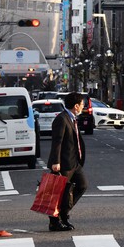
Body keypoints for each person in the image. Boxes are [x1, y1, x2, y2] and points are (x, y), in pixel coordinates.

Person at [47, 91, 88, 232]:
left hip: (74, 162)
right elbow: (57, 142)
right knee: (59, 193)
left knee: (82, 185)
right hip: (63, 163)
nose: (83, 107)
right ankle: (54, 222)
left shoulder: (72, 119)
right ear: (76, 106)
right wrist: (56, 161)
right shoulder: (62, 119)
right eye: (82, 104)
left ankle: (64, 213)